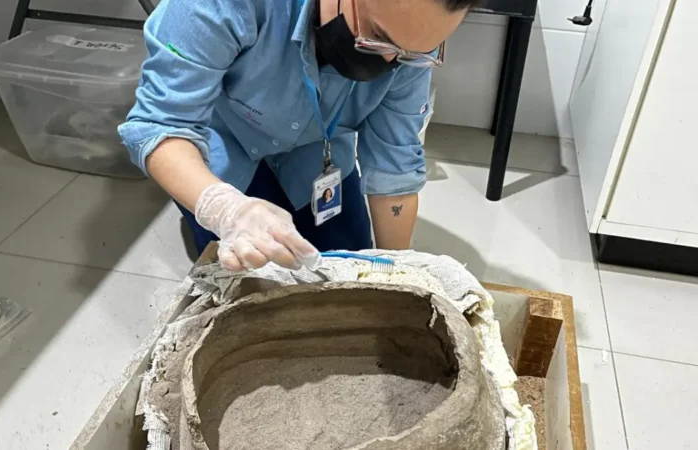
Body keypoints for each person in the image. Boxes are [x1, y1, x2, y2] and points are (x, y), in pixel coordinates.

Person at [119, 0, 479, 272]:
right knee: (246, 277)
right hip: (223, 147)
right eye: (376, 37)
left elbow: (394, 169)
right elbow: (161, 126)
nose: (388, 62)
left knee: (351, 263)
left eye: (409, 53)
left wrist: (398, 271)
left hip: (317, 150)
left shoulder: (410, 46)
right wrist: (224, 209)